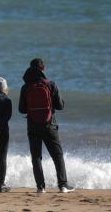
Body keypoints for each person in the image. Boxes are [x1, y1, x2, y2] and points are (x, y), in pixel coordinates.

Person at [18, 58, 75, 193]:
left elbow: (21, 109)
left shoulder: (25, 87)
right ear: (43, 69)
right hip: (50, 125)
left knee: (36, 157)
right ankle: (63, 185)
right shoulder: (51, 84)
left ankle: (40, 187)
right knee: (57, 155)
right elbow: (60, 106)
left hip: (33, 126)